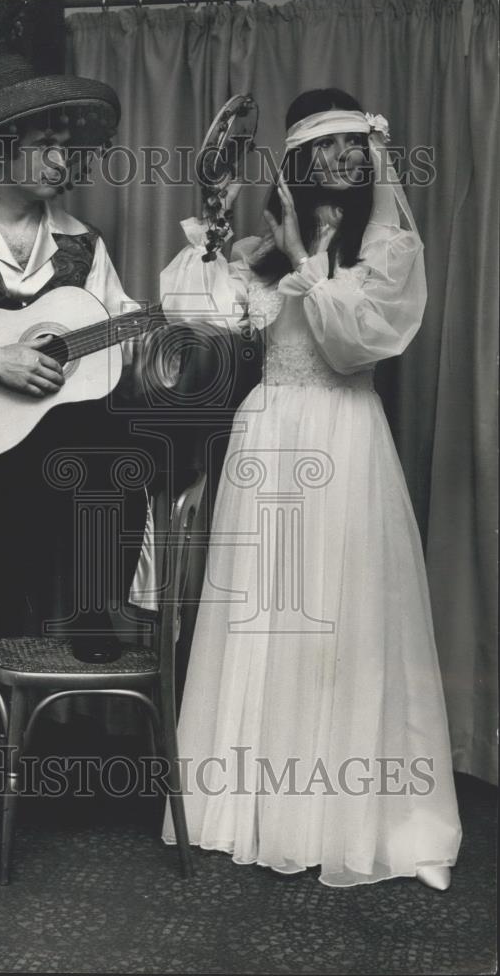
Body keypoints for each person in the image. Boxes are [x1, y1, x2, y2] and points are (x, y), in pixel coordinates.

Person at [160, 88, 462, 889]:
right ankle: (251, 809)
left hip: (343, 436)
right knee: (265, 616)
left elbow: (352, 346)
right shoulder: (257, 248)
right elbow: (197, 314)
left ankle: (338, 813)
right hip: (269, 436)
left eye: (356, 145)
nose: (345, 158)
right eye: (328, 145)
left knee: (338, 625)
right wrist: (220, 230)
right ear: (295, 159)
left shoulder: (388, 246)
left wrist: (305, 258)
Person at [0, 49, 149, 792]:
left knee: (116, 428)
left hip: (54, 457)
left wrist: (162, 323)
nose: (65, 161)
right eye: (47, 145)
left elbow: (117, 327)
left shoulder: (84, 246)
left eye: (71, 148)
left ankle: (94, 608)